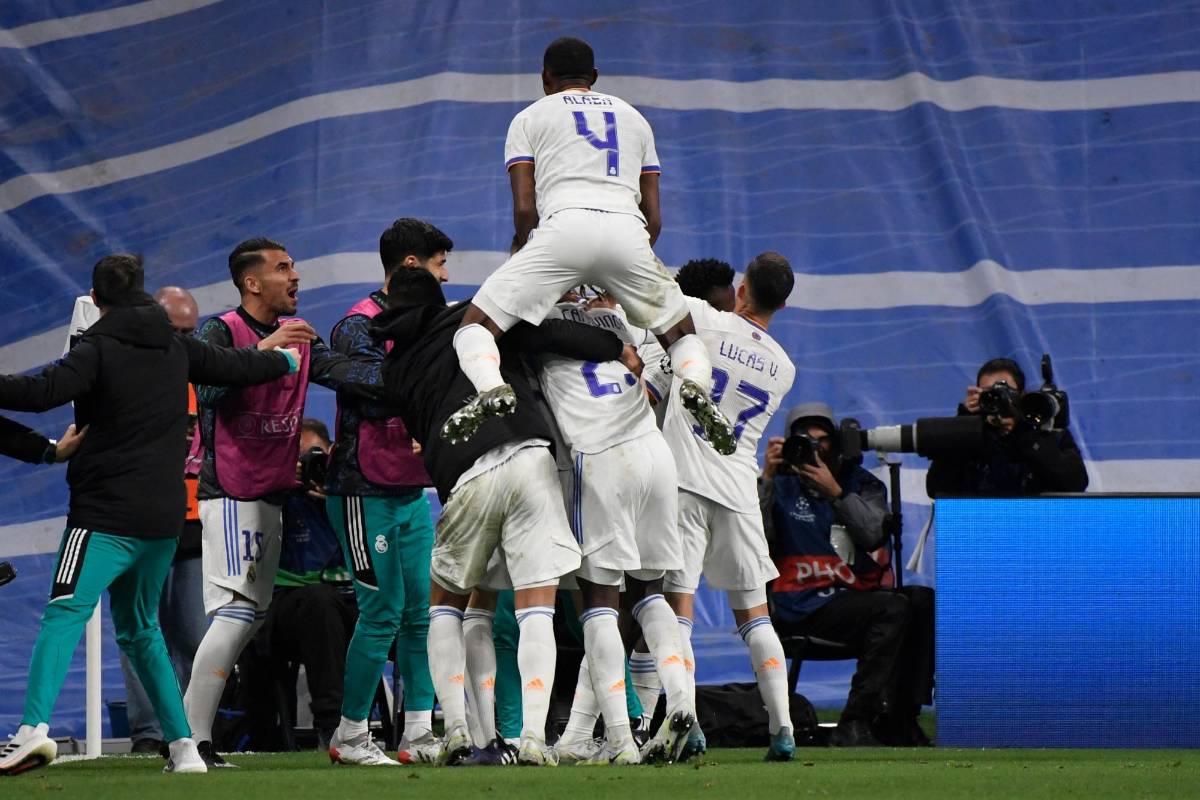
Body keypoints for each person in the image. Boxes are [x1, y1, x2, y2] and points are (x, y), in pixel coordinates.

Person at [0, 254, 298, 777]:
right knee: (141, 630)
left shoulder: (95, 349)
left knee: (65, 610)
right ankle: (184, 748)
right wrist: (286, 361)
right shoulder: (176, 348)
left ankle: (31, 732)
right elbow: (238, 367)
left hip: (102, 515)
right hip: (164, 519)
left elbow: (40, 393)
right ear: (142, 292)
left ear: (95, 301)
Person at [372, 267, 632, 766]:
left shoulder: (395, 371)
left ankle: (460, 736)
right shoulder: (477, 321)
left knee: (447, 603)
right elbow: (553, 334)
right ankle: (534, 739)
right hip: (531, 452)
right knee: (537, 604)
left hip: (466, 474)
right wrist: (614, 347)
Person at [444, 36, 734, 458]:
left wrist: (530, 253)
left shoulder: (529, 118)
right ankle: (695, 385)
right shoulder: (635, 119)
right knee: (680, 337)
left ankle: (490, 389)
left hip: (562, 229)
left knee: (474, 328)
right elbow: (654, 218)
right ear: (594, 78)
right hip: (628, 233)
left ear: (545, 78)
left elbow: (525, 209)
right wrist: (617, 268)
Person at [185, 237, 385, 769]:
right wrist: (268, 349)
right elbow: (207, 391)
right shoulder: (220, 330)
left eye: (294, 265)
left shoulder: (298, 337)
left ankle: (191, 738)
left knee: (246, 618)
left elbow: (347, 374)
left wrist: (406, 373)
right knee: (237, 613)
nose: (295, 276)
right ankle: (190, 740)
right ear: (252, 283)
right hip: (229, 491)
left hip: (272, 493)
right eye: (282, 268)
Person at [524, 291, 693, 766]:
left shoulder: (533, 320)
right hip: (654, 451)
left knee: (599, 603)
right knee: (649, 595)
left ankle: (620, 739)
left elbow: (531, 331)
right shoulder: (615, 318)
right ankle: (680, 701)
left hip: (599, 457)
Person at [655, 252, 799, 762]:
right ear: (782, 303)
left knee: (679, 611)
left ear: (740, 287)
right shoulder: (785, 367)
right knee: (756, 616)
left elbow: (652, 289)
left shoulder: (707, 322)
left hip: (685, 484)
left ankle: (688, 722)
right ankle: (782, 730)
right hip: (738, 491)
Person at [323, 218, 452, 767]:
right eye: (440, 264)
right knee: (382, 613)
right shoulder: (357, 324)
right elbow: (373, 391)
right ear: (410, 266)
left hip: (408, 489)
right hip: (361, 488)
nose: (446, 275)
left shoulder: (425, 322)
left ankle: (417, 734)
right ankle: (350, 735)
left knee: (421, 614)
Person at [762, 403, 934, 747]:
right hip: (801, 606)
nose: (814, 449)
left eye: (822, 441)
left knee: (921, 600)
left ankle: (900, 716)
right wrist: (766, 477)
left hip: (854, 598)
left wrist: (836, 493)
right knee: (892, 609)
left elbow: (873, 534)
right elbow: (755, 542)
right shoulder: (776, 487)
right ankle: (856, 721)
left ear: (837, 442)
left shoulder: (860, 483)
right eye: (804, 441)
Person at [116, 286, 210, 755]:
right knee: (138, 628)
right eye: (177, 331)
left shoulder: (204, 372)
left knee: (194, 635)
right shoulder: (127, 373)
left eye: (191, 333)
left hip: (191, 521)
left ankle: (187, 730)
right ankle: (150, 734)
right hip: (140, 517)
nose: (183, 341)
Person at [244, 419, 357, 752]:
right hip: (285, 609)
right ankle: (330, 727)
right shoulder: (271, 495)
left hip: (352, 606)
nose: (307, 466)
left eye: (315, 456)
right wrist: (280, 486)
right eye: (297, 459)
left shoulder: (351, 493)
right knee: (317, 602)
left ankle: (424, 724)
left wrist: (336, 498)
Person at [926, 358, 1089, 497]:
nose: (999, 400)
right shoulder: (969, 435)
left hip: (1036, 524)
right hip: (981, 525)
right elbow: (936, 488)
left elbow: (1076, 483)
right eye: (990, 394)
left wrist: (1025, 434)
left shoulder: (1045, 431)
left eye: (1006, 392)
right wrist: (963, 424)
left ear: (1022, 395)